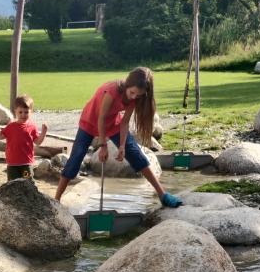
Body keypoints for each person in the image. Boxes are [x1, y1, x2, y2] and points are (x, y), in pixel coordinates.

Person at [53, 67, 182, 207]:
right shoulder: (112, 90)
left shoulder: (135, 98)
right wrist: (103, 146)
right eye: (132, 93)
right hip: (89, 122)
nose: (134, 97)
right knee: (76, 157)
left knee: (135, 153)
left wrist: (121, 146)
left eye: (138, 96)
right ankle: (56, 200)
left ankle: (163, 194)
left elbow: (125, 122)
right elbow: (101, 118)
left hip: (112, 123)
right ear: (127, 84)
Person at [0, 94, 49, 181]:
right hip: (12, 164)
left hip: (26, 164)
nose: (23, 115)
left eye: (26, 112)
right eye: (20, 112)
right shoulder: (11, 126)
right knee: (13, 184)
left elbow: (37, 142)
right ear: (15, 112)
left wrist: (43, 132)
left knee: (28, 183)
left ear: (31, 112)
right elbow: (0, 136)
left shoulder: (32, 127)